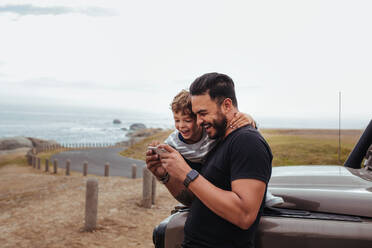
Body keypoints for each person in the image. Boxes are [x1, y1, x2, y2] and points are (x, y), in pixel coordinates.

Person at [146, 72, 273, 247]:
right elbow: (196, 199)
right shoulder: (218, 141)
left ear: (227, 105)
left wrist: (186, 172)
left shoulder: (247, 141)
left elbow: (244, 215)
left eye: (203, 113)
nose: (198, 122)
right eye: (196, 115)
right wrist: (165, 177)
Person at [157, 89, 282, 207]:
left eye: (187, 120)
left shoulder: (210, 132)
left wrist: (249, 119)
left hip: (216, 169)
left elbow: (239, 127)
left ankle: (263, 195)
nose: (181, 125)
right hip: (197, 174)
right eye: (176, 120)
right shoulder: (173, 142)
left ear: (199, 118)